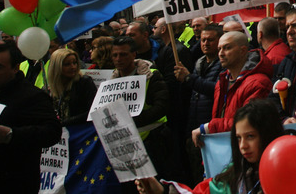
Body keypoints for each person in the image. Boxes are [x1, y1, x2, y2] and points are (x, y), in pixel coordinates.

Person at [136, 98, 285, 194]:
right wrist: (161, 191)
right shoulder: (232, 175)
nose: (243, 146)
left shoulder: (287, 172)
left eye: (250, 136)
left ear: (267, 134)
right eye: (238, 138)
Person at [0, 41, 62, 194]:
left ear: (15, 68)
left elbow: (52, 132)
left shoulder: (32, 97)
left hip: (13, 184)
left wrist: (12, 135)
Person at [112, 35, 176, 188]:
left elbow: (161, 106)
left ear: (134, 55)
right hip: (125, 145)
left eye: (123, 54)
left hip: (153, 141)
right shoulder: (110, 82)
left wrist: (132, 121)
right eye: (115, 55)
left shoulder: (151, 75)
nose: (118, 59)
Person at [193, 31, 273, 145]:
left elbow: (249, 122)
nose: (221, 53)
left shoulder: (258, 83)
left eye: (227, 48)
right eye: (219, 49)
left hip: (246, 149)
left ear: (243, 50)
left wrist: (210, 127)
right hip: (226, 147)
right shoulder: (222, 82)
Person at [175, 25, 224, 185]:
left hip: (212, 129)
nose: (206, 43)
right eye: (203, 40)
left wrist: (189, 79)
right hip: (195, 127)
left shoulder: (223, 64)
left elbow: (217, 89)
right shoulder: (199, 62)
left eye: (210, 40)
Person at [46, 47, 97, 127]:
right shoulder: (49, 88)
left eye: (74, 63)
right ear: (57, 67)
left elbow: (92, 111)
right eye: (67, 64)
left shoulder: (84, 82)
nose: (73, 67)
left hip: (80, 131)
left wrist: (65, 122)